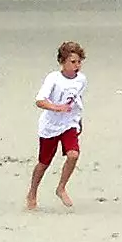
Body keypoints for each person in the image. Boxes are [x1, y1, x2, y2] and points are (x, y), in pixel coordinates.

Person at [27, 39, 88, 209]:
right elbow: (39, 101)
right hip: (50, 126)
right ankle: (32, 193)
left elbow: (76, 100)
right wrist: (56, 108)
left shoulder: (81, 80)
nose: (77, 65)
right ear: (62, 62)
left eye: (79, 62)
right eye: (72, 62)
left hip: (69, 123)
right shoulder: (53, 78)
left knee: (73, 155)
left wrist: (78, 120)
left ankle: (61, 188)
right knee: (44, 163)